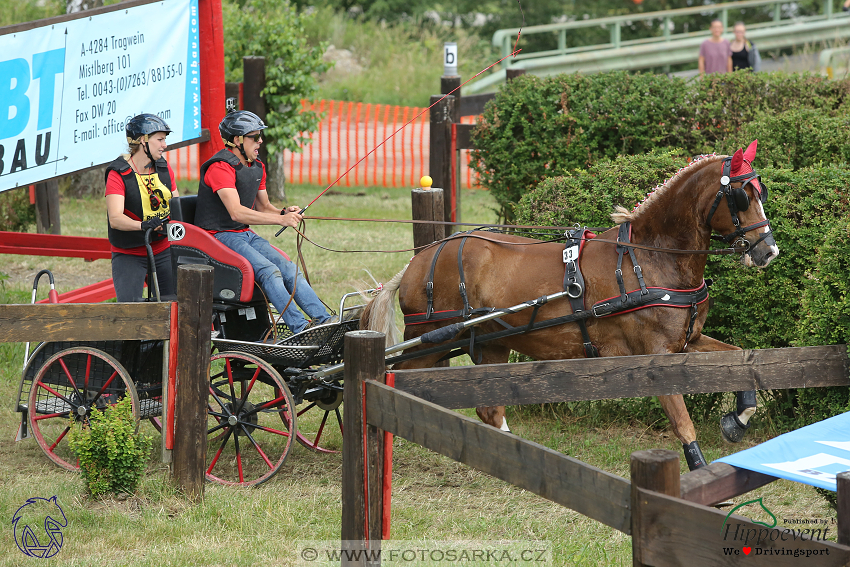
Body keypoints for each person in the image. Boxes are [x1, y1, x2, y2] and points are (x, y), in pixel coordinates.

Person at [195, 110, 334, 335]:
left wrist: (283, 211)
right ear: (237, 140)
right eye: (254, 137)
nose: (260, 141)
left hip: (242, 234)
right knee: (269, 271)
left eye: (260, 136)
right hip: (218, 236)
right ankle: (301, 329)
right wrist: (281, 219)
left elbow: (263, 207)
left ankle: (325, 321)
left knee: (289, 268)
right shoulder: (219, 167)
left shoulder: (256, 166)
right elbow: (237, 213)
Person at [105, 114, 177, 302]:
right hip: (129, 253)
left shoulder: (164, 168)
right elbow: (115, 218)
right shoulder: (118, 173)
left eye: (165, 140)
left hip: (162, 248)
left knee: (174, 305)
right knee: (130, 311)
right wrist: (143, 225)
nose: (165, 145)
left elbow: (178, 206)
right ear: (143, 140)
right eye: (160, 139)